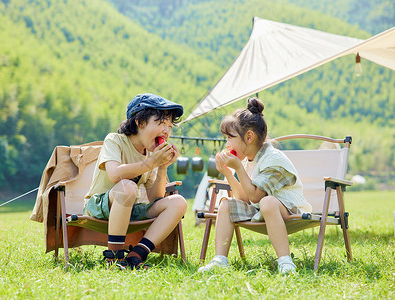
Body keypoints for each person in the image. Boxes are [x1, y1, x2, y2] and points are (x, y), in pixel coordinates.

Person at [198, 97, 312, 274]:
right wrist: (229, 173)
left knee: (267, 202)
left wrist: (237, 167)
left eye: (230, 138)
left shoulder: (273, 160)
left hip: (290, 209)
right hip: (261, 209)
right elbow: (244, 197)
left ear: (249, 137)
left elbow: (256, 197)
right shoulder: (247, 159)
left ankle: (285, 262)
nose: (227, 144)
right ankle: (220, 259)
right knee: (226, 204)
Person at [83, 93, 187, 269]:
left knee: (178, 202)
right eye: (161, 123)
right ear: (139, 123)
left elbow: (155, 197)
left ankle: (136, 255)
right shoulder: (115, 140)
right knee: (127, 186)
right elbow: (115, 174)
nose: (166, 131)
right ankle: (114, 258)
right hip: (100, 205)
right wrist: (152, 162)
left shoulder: (152, 154)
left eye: (169, 126)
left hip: (130, 208)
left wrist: (162, 166)